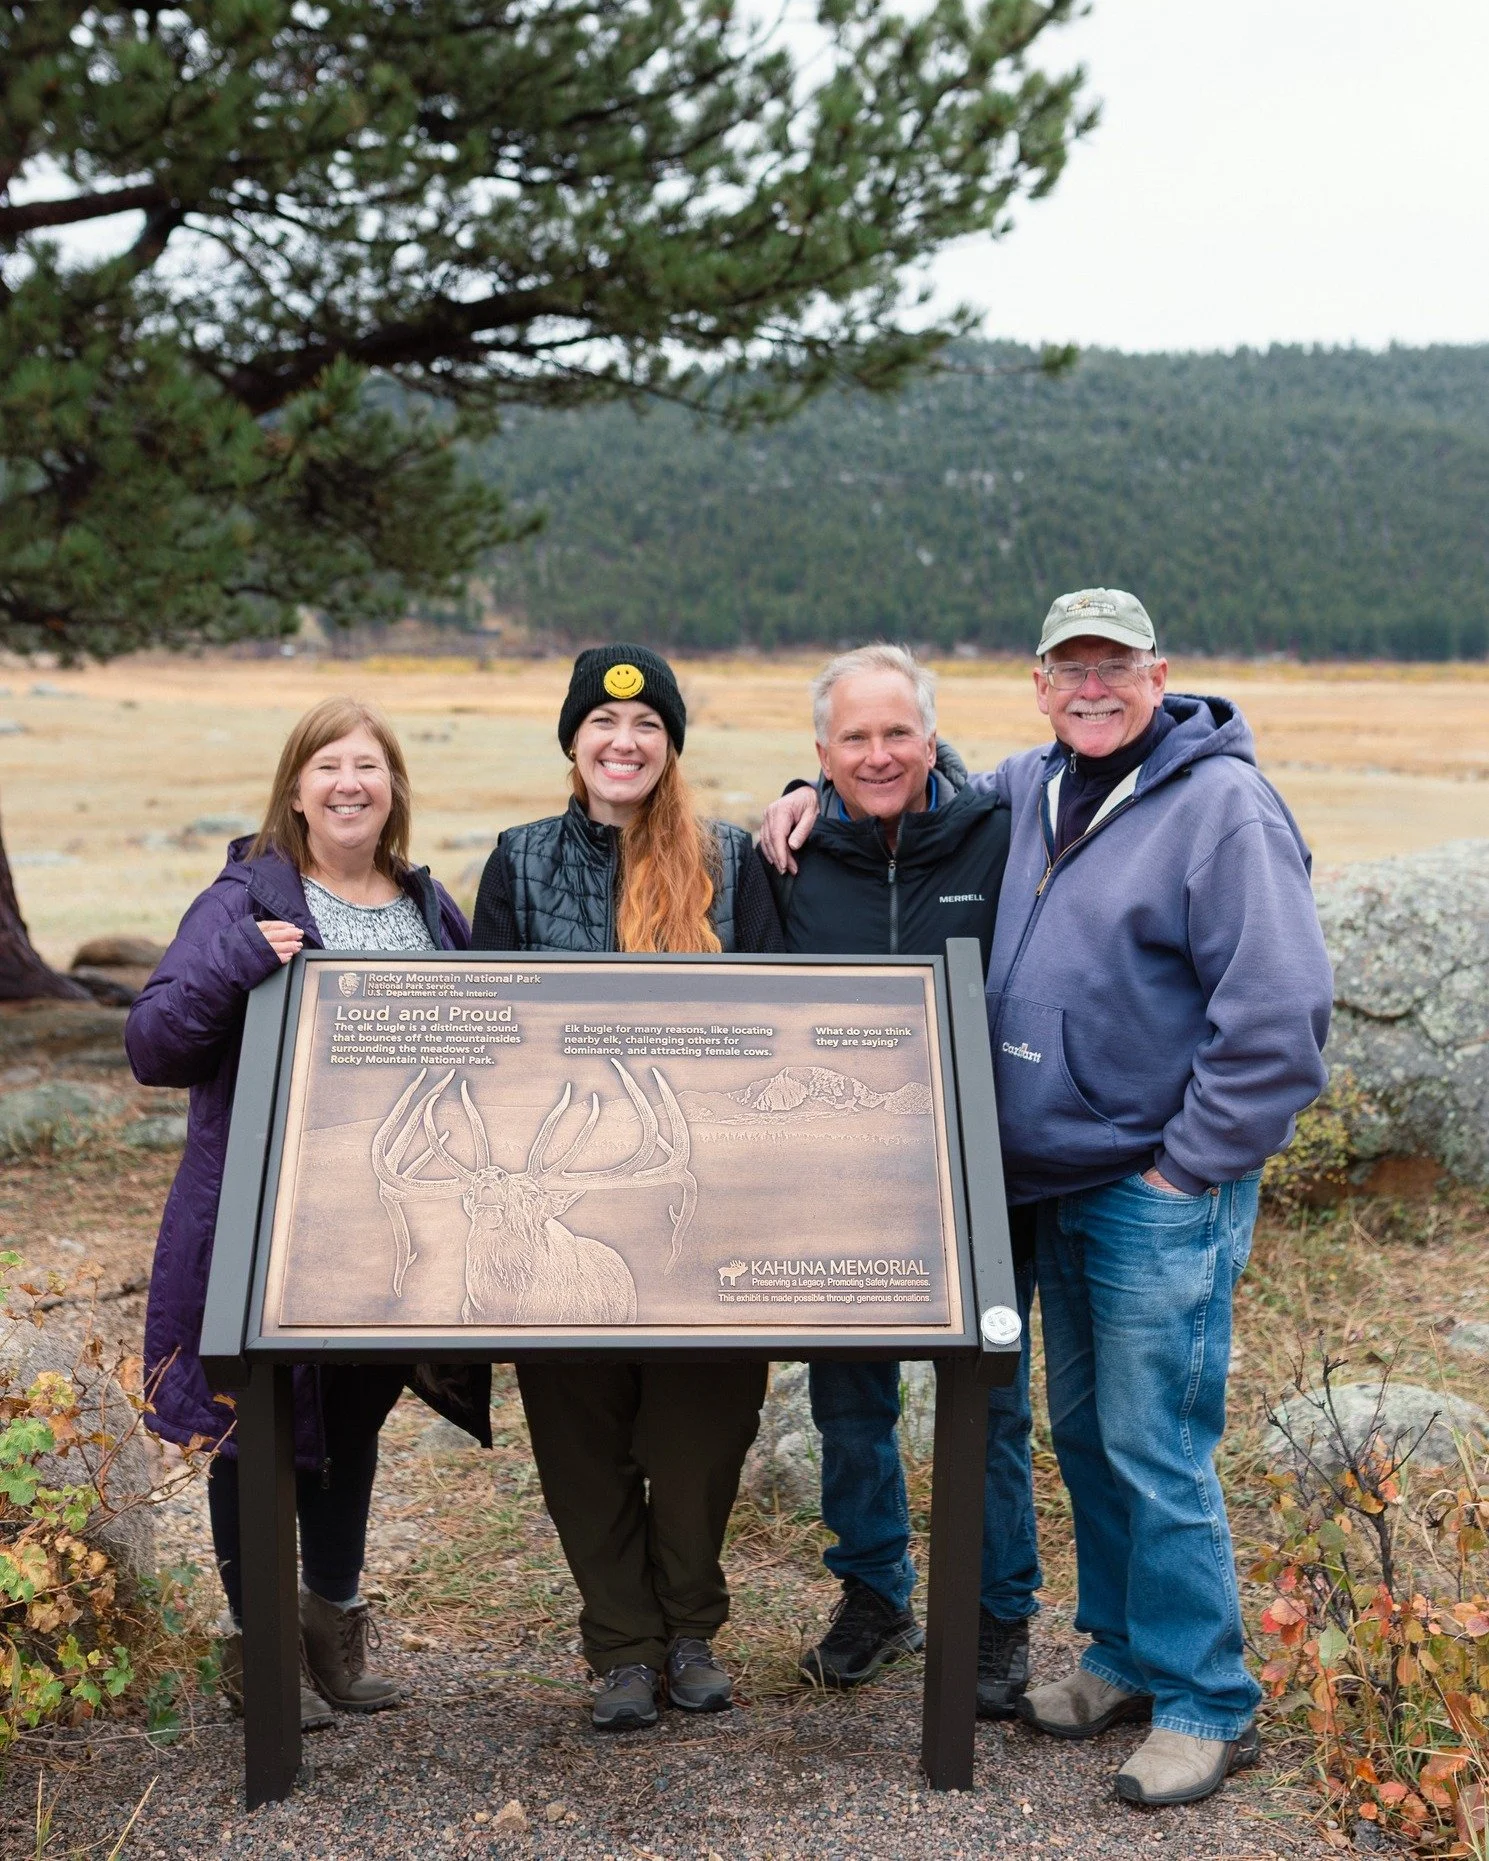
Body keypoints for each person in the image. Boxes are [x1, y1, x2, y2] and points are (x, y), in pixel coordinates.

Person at [765, 590, 1333, 1807]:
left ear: (1158, 673)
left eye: (1113, 667)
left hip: (1152, 1189)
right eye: (1068, 667)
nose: (1091, 686)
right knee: (1086, 1438)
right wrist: (802, 794)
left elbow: (1278, 1018)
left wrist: (1187, 1164)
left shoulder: (1222, 807)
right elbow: (905, 773)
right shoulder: (1028, 784)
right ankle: (1124, 1658)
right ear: (1037, 684)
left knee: (1156, 1444)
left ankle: (1203, 1700)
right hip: (1057, 1186)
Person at [127, 697, 490, 1729]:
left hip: (392, 1227)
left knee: (353, 1416)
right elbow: (153, 1044)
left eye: (369, 766)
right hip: (266, 1220)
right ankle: (262, 1652)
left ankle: (330, 1627)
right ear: (295, 788)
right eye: (328, 765)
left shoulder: (427, 906)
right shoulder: (242, 898)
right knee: (258, 1424)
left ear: (393, 789)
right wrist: (238, 959)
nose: (349, 783)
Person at [471, 642, 783, 1733]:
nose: (623, 741)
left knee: (701, 1433)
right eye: (602, 726)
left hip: (694, 1202)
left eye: (647, 724)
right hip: (560, 1204)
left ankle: (689, 1627)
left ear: (670, 744)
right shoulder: (514, 862)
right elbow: (491, 1038)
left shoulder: (733, 861)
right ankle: (619, 1644)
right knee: (579, 1432)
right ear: (572, 742)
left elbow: (773, 1030)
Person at [758, 644, 1039, 1722]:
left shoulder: (998, 834)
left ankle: (998, 1617)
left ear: (932, 736)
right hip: (839, 1178)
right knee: (849, 1400)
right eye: (853, 738)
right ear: (820, 753)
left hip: (977, 1172)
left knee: (993, 1405)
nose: (878, 755)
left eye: (897, 733)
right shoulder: (787, 854)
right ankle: (876, 1595)